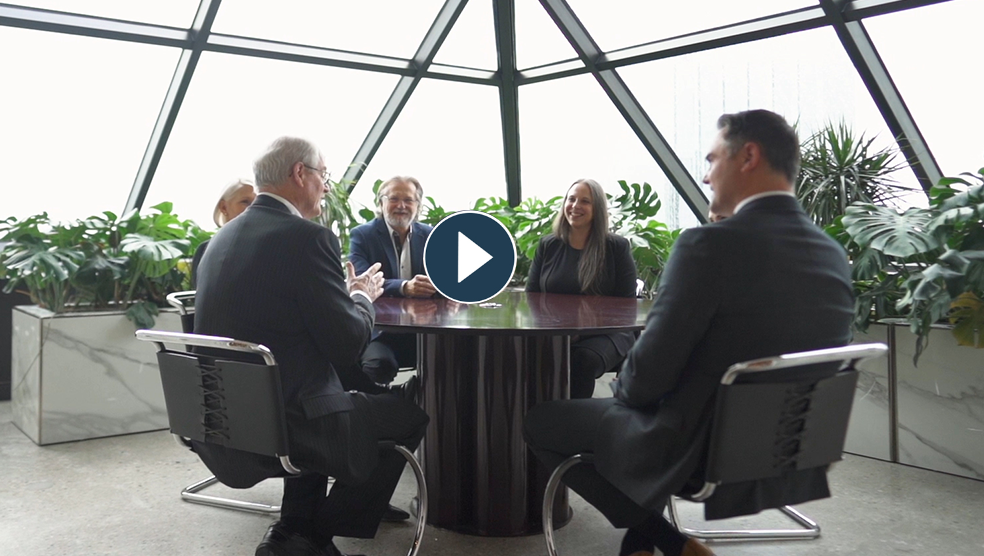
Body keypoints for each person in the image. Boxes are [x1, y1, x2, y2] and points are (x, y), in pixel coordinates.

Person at [523, 110, 854, 556]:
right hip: (786, 446)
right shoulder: (831, 253)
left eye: (713, 159)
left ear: (749, 157)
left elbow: (644, 380)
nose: (705, 174)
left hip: (697, 447)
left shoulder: (708, 246)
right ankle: (641, 542)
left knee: (540, 421)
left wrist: (625, 385)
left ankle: (671, 543)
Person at [194, 137, 430, 556]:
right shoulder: (307, 238)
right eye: (324, 175)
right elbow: (347, 344)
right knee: (407, 415)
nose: (326, 186)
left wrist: (336, 298)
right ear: (300, 174)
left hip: (226, 416)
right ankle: (311, 536)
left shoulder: (220, 240)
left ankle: (292, 527)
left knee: (328, 391)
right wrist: (360, 297)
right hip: (292, 421)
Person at [526, 178, 637, 399]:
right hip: (559, 334)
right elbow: (531, 299)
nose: (575, 206)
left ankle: (575, 428)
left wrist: (581, 332)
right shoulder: (548, 245)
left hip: (608, 333)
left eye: (585, 201)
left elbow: (627, 307)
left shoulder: (616, 247)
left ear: (597, 209)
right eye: (571, 199)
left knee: (581, 360)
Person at [348, 176, 435, 385]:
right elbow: (362, 280)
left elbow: (446, 278)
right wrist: (405, 287)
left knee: (452, 356)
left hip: (426, 330)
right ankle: (383, 411)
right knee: (378, 365)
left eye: (409, 200)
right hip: (380, 330)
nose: (401, 206)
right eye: (394, 199)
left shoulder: (431, 235)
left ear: (418, 206)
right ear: (381, 203)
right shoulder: (362, 235)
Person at [190, 178, 257, 287]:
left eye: (256, 202)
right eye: (245, 202)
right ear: (224, 207)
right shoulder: (206, 250)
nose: (254, 208)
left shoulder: (266, 246)